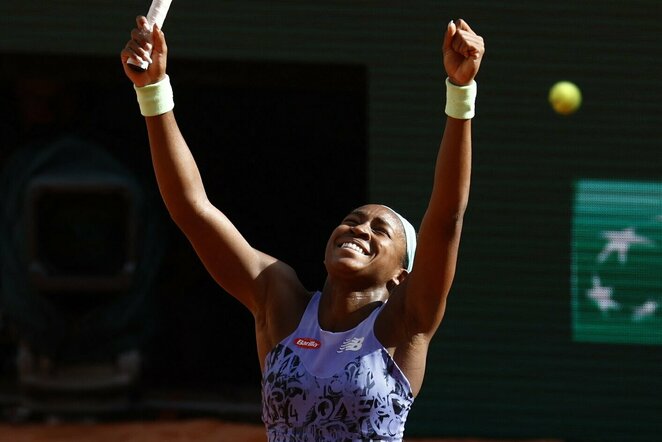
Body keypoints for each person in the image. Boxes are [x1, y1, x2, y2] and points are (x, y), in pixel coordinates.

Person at [121, 16, 484, 441]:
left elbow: (446, 220)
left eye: (380, 230)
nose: (359, 229)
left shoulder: (407, 322)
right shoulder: (281, 302)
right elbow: (193, 210)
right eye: (352, 220)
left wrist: (461, 94)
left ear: (402, 276)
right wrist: (152, 90)